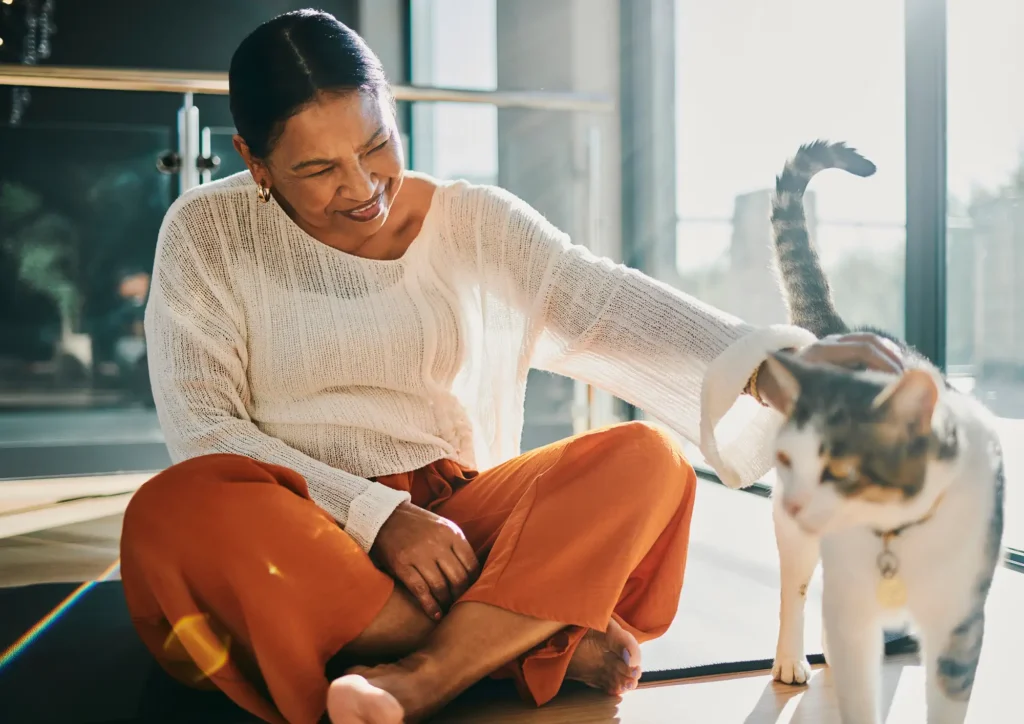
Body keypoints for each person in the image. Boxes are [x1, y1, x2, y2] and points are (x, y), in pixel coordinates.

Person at [120, 10, 903, 724]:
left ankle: (423, 676)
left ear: (389, 106)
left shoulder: (472, 220)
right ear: (254, 162)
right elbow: (205, 429)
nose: (362, 188)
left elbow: (603, 301)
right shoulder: (206, 231)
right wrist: (376, 516)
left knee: (648, 459)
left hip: (462, 528)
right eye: (318, 170)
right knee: (171, 512)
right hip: (298, 523)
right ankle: (526, 639)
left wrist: (773, 368)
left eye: (375, 144)